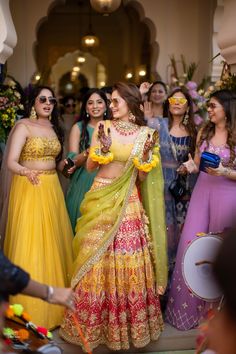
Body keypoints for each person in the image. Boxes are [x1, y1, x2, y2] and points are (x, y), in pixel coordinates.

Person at [59, 82, 167, 351]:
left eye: (116, 101)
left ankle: (126, 327)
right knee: (93, 259)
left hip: (128, 201)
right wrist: (104, 150)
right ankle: (91, 326)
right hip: (101, 197)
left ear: (130, 103)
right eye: (112, 101)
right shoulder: (103, 127)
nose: (111, 105)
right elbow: (93, 165)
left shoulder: (147, 134)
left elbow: (142, 176)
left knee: (127, 260)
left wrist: (143, 156)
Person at [1, 86, 73, 329]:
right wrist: (26, 171)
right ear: (33, 102)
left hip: (51, 188)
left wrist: (70, 165)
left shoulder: (54, 129)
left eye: (51, 99)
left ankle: (56, 309)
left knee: (52, 243)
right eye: (42, 99)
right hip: (29, 188)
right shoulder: (24, 126)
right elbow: (11, 161)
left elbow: (56, 162)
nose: (48, 103)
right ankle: (31, 312)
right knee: (30, 243)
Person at [165, 89, 236, 330]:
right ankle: (188, 314)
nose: (210, 110)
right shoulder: (204, 132)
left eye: (214, 106)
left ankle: (218, 319)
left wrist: (226, 172)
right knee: (190, 244)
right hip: (202, 194)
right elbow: (197, 162)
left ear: (227, 108)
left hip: (227, 197)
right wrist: (188, 167)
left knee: (219, 250)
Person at [65, 88, 109, 232]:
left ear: (106, 105)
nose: (95, 106)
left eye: (99, 102)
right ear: (85, 107)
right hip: (83, 182)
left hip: (107, 182)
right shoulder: (78, 128)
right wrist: (89, 152)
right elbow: (72, 161)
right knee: (80, 229)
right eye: (90, 103)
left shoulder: (113, 127)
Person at [58, 95, 78, 194]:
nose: (71, 108)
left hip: (75, 148)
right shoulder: (60, 119)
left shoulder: (78, 117)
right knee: (64, 174)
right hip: (65, 148)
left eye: (73, 105)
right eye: (68, 105)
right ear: (63, 106)